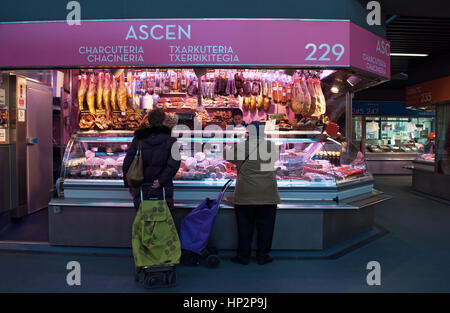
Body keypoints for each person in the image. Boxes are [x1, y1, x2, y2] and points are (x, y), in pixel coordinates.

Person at [224, 121, 280, 265]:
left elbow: (226, 156)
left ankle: (243, 257)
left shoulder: (241, 146)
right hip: (268, 193)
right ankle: (263, 256)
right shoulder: (271, 146)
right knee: (266, 227)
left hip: (246, 193)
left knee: (244, 227)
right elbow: (275, 160)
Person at [122, 108, 181, 213]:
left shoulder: (138, 140)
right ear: (163, 121)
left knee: (143, 220)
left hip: (141, 186)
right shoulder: (171, 140)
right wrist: (161, 181)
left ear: (148, 121)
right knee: (162, 222)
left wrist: (129, 183)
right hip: (162, 188)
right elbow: (174, 164)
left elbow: (127, 162)